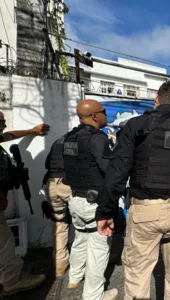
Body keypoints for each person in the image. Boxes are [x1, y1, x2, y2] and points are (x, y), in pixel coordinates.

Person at [95, 81, 170, 300]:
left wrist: (105, 211)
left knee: (138, 274)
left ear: (156, 99)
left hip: (146, 213)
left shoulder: (136, 125)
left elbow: (117, 174)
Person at [0, 107, 49, 298]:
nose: (4, 124)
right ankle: (14, 280)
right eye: (2, 120)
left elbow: (9, 135)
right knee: (0, 243)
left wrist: (32, 131)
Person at [62, 100, 118, 300]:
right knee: (98, 247)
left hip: (75, 198)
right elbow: (109, 171)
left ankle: (74, 277)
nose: (106, 115)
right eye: (103, 112)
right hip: (93, 202)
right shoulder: (97, 139)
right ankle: (94, 295)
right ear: (95, 116)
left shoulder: (70, 137)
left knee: (80, 239)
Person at [42, 133, 72, 278]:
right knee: (85, 225)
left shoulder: (57, 140)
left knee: (59, 225)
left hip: (52, 183)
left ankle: (59, 264)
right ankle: (80, 266)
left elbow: (47, 164)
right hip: (70, 184)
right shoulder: (83, 139)